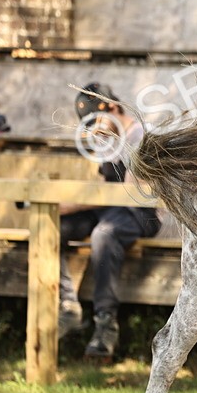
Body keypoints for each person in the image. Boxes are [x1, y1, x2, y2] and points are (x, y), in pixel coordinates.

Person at [59, 83, 160, 360]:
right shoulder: (110, 142)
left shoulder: (141, 137)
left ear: (113, 109)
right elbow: (103, 186)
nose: (95, 133)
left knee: (104, 235)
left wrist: (72, 204)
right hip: (111, 208)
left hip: (140, 212)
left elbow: (127, 192)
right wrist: (66, 209)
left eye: (98, 123)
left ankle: (105, 325)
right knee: (57, 226)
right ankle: (67, 305)